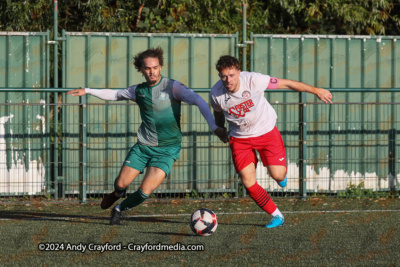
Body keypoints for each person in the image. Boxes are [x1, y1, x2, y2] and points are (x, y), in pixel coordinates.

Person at [67, 47, 228, 225]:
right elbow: (114, 95)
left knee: (145, 191)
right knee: (121, 183)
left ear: (160, 67)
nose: (152, 71)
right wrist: (88, 90)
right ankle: (117, 194)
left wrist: (214, 127)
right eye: (148, 68)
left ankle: (119, 208)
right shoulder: (138, 90)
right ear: (141, 69)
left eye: (156, 67)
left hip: (167, 150)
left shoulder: (173, 87)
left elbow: (198, 100)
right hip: (143, 147)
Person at [209, 55, 333, 228]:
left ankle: (278, 174)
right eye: (223, 76)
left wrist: (316, 91)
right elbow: (218, 113)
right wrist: (220, 129)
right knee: (247, 181)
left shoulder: (254, 80)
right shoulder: (216, 94)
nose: (228, 80)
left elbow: (287, 84)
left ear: (239, 72)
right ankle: (277, 215)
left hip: (266, 132)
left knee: (278, 175)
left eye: (231, 75)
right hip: (240, 139)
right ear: (219, 75)